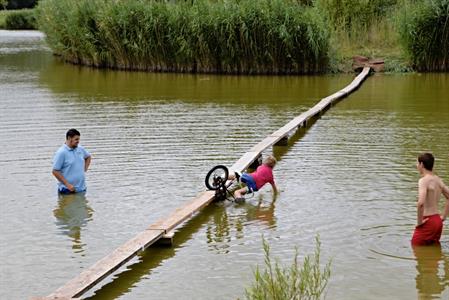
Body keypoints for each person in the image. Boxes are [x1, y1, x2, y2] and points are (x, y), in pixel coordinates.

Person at [411, 153, 449, 246]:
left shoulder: (423, 181)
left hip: (427, 222)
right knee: (433, 252)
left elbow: (421, 203)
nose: (417, 166)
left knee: (415, 248)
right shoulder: (438, 180)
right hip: (438, 222)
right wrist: (443, 217)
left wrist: (419, 223)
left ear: (422, 164)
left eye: (417, 163)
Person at [52, 128, 91, 194]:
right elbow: (55, 171)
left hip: (81, 189)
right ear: (69, 138)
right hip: (67, 191)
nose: (78, 141)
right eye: (76, 139)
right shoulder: (61, 152)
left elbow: (88, 157)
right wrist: (68, 185)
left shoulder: (80, 149)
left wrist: (84, 170)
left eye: (79, 139)